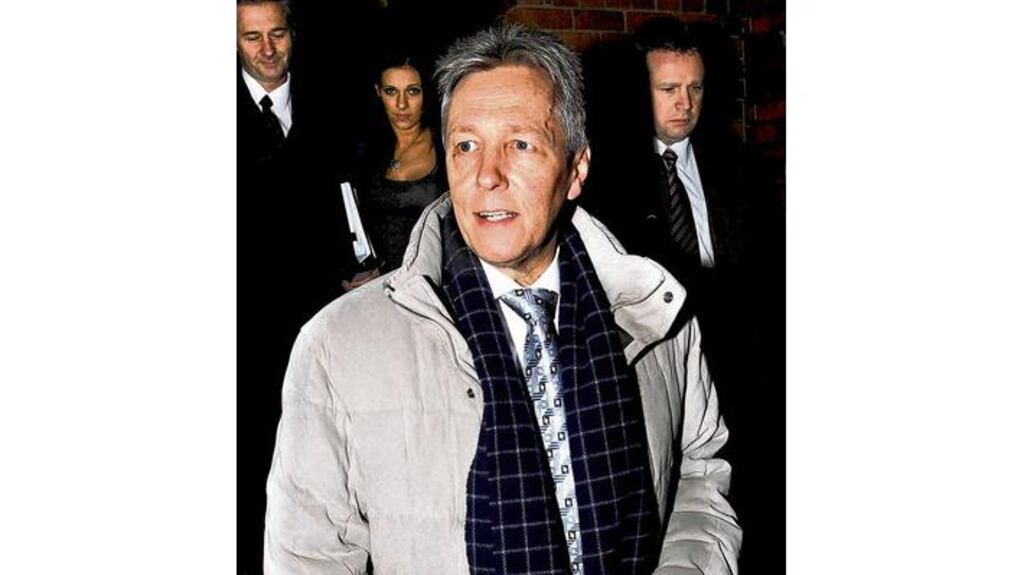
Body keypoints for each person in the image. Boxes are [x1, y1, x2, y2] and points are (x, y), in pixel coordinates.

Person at [264, 23, 740, 574]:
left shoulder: (658, 316)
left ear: (575, 168)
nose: (486, 176)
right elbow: (308, 557)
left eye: (520, 144)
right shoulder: (338, 346)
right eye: (466, 146)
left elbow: (698, 475)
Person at [236, 1, 356, 573]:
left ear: (292, 34)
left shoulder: (331, 104)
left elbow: (348, 196)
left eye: (276, 33)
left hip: (317, 309)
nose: (266, 48)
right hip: (243, 323)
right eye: (252, 36)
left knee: (318, 455)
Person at [343, 51, 447, 289]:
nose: (402, 104)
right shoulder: (364, 151)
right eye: (391, 91)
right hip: (381, 287)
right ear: (378, 92)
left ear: (426, 93)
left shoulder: (445, 143)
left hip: (437, 282)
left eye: (413, 91)